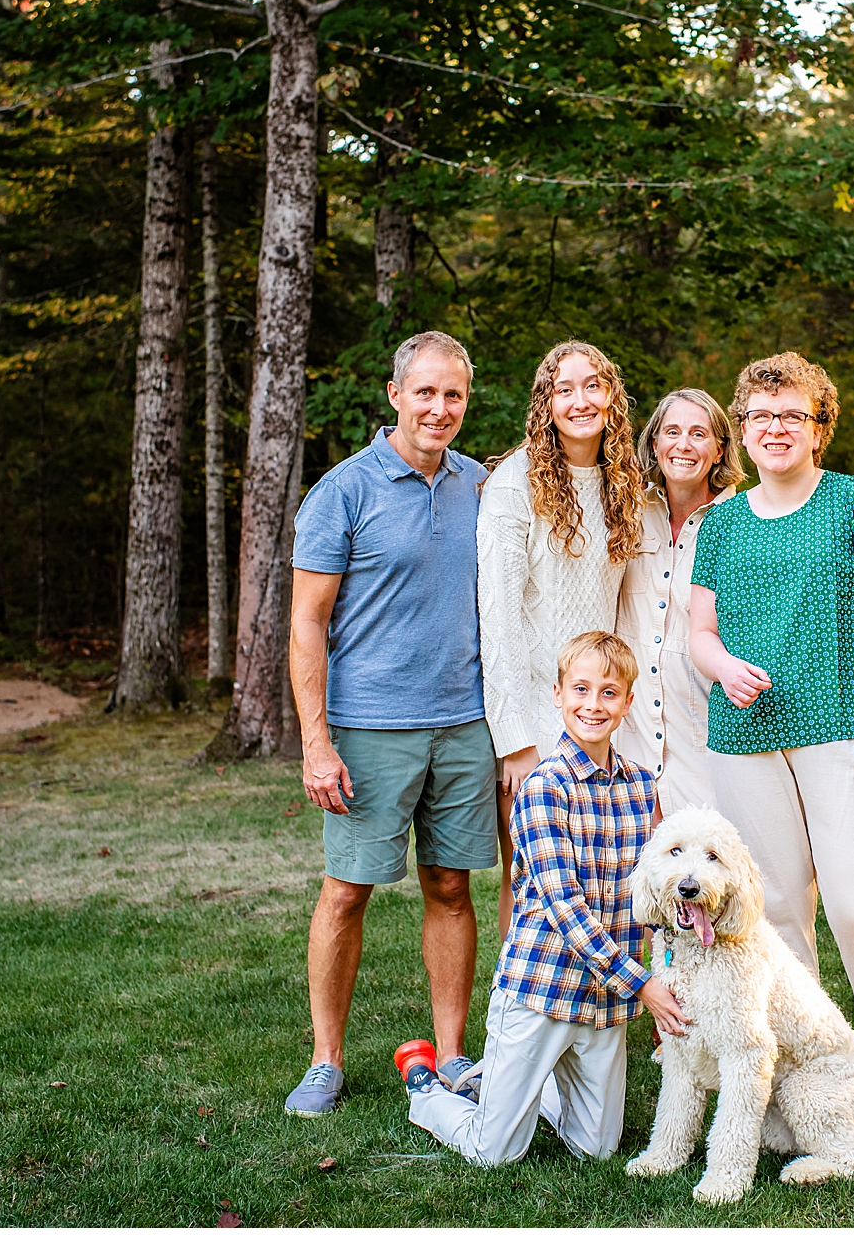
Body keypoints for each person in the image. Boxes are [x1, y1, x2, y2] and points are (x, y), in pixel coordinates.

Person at [686, 351, 854, 1095]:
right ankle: (812, 1057)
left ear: (819, 427)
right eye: (761, 416)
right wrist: (723, 667)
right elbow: (700, 633)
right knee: (778, 912)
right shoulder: (722, 523)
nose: (776, 428)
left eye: (792, 415)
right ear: (742, 429)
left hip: (845, 724)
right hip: (746, 738)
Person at [281, 331, 498, 1118]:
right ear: (396, 394)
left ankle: (453, 1052)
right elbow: (307, 622)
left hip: (466, 723)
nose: (440, 408)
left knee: (451, 885)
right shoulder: (343, 491)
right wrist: (316, 743)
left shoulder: (482, 487)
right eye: (426, 392)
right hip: (370, 727)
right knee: (347, 892)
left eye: (454, 395)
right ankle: (325, 1061)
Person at [397, 631, 690, 1164]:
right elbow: (563, 906)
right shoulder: (542, 788)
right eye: (580, 689)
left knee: (596, 1151)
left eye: (608, 692)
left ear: (627, 702)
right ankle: (428, 1087)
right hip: (541, 989)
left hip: (603, 1001)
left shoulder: (642, 788)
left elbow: (655, 890)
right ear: (558, 695)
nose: (593, 704)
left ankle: (511, 1081)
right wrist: (644, 986)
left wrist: (671, 960)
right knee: (495, 1151)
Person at [477, 340, 646, 933]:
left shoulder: (623, 484)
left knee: (609, 875)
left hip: (601, 709)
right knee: (530, 879)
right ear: (545, 403)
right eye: (564, 389)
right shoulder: (514, 484)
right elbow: (496, 618)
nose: (580, 401)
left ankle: (608, 994)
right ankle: (519, 994)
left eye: (593, 385)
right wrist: (515, 741)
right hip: (534, 714)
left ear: (611, 397)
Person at [614, 388, 746, 813]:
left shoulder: (743, 522)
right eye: (672, 432)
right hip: (629, 736)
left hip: (706, 737)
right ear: (655, 444)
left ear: (720, 449)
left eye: (698, 434)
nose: (683, 445)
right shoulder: (626, 513)